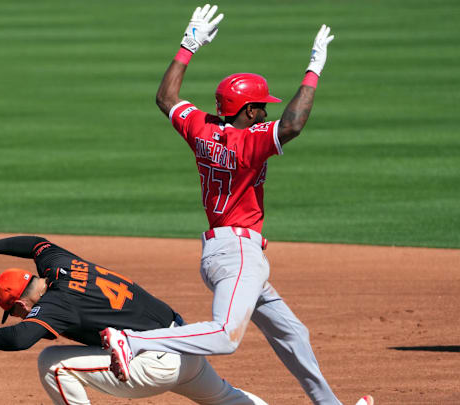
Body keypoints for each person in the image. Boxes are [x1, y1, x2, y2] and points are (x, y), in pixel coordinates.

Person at [100, 5, 374, 405]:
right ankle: (133, 340)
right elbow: (293, 124)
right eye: (261, 106)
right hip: (237, 253)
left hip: (222, 252)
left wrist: (188, 44)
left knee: (292, 333)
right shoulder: (250, 142)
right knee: (225, 336)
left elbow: (166, 97)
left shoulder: (201, 127)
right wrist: (313, 69)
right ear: (248, 111)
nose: (266, 111)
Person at [0, 235, 268, 405]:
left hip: (153, 364)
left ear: (19, 303)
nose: (19, 317)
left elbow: (18, 340)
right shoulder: (60, 263)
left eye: (14, 312)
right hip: (183, 344)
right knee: (228, 399)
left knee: (52, 364)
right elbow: (34, 244)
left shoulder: (56, 305)